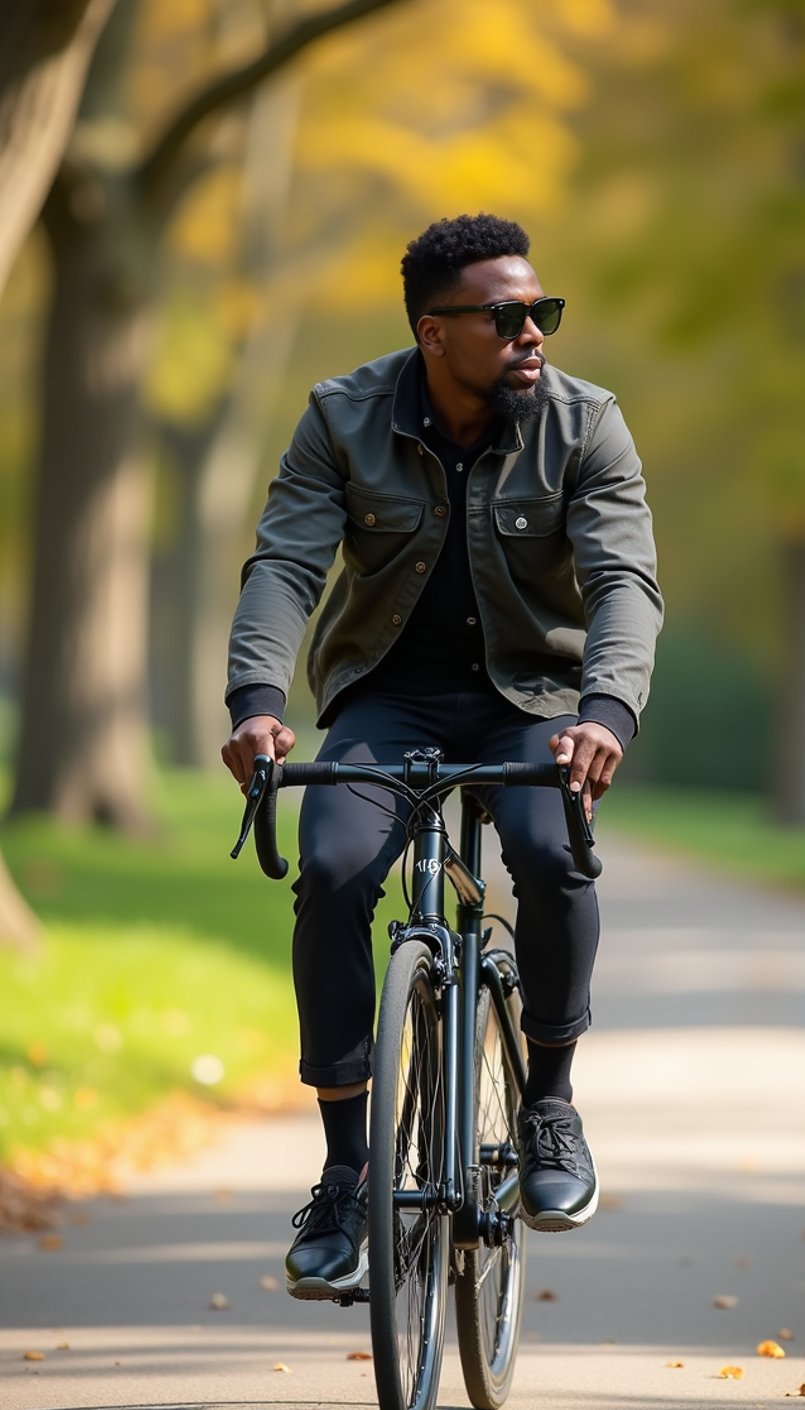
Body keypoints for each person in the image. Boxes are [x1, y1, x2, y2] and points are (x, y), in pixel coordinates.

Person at [221, 213, 662, 1300]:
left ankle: (549, 1105)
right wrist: (257, 702)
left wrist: (603, 709)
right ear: (433, 330)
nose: (532, 335)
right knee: (328, 871)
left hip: (536, 700)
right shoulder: (341, 417)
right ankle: (343, 1173)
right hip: (390, 699)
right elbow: (284, 565)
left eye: (540, 314)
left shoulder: (585, 423)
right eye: (505, 316)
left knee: (550, 854)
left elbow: (623, 584)